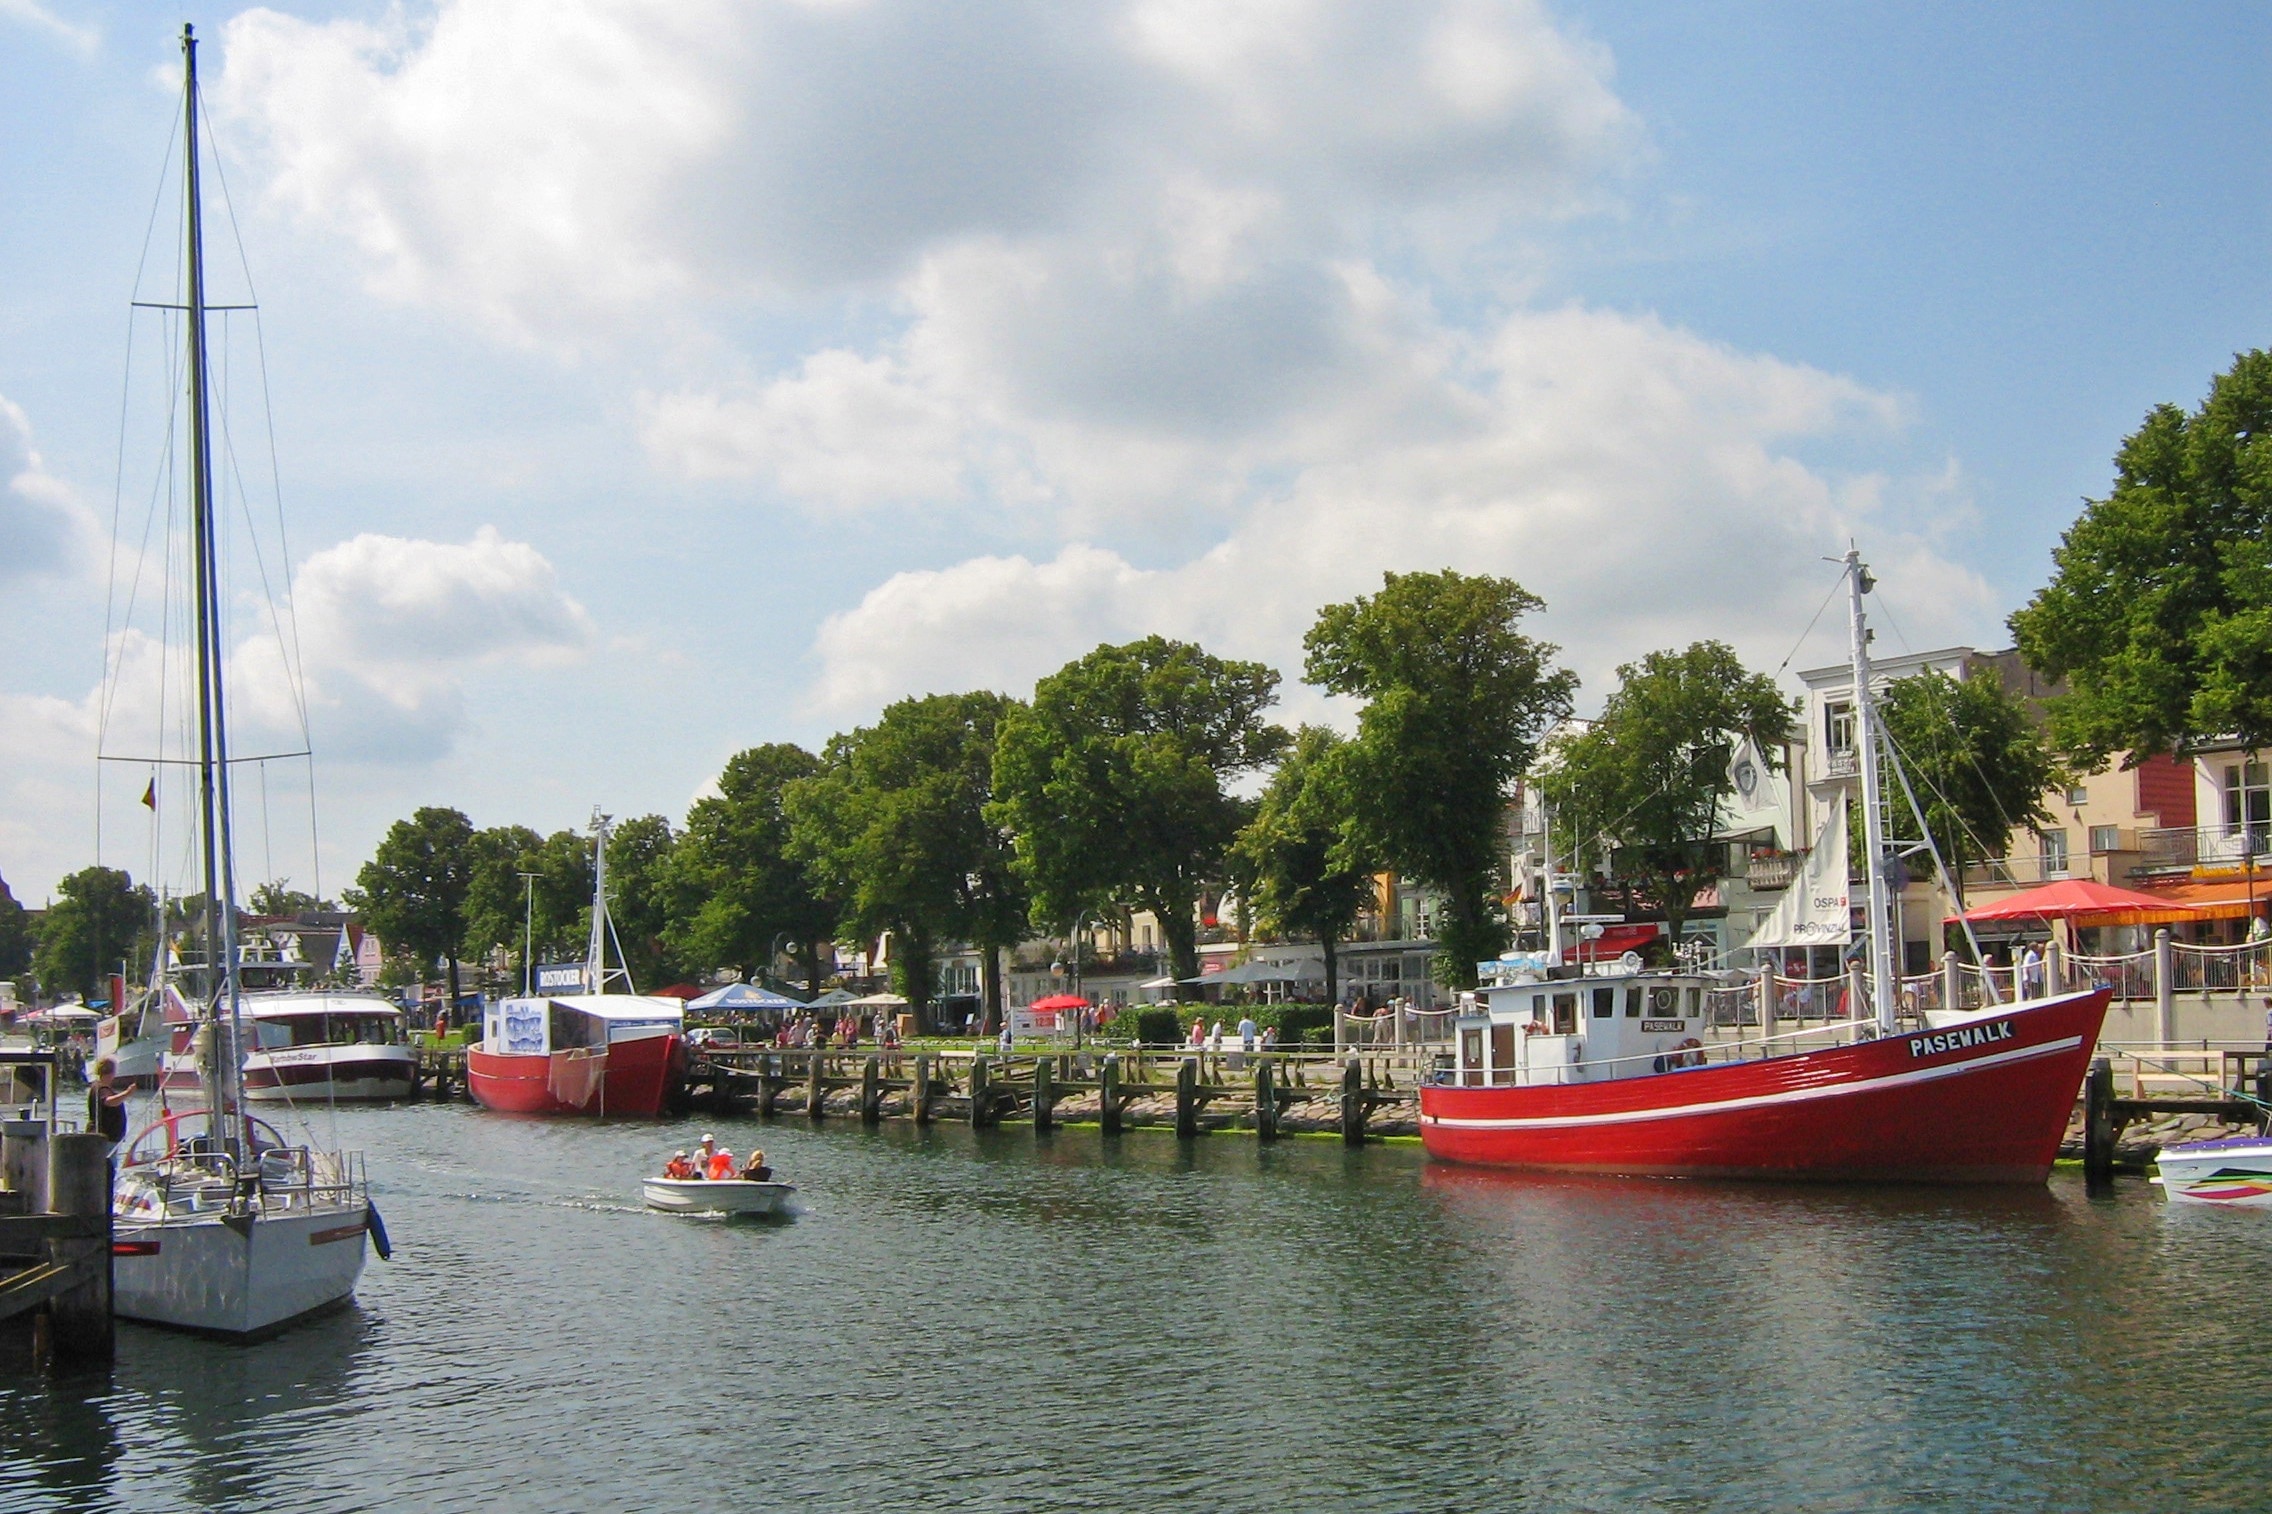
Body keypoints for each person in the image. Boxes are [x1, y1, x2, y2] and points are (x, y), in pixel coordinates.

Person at [87, 1057, 129, 1145]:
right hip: (106, 1139)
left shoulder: (97, 1086)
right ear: (112, 1072)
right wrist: (127, 1093)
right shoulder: (102, 1088)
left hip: (108, 1138)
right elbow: (109, 1102)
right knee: (108, 1158)